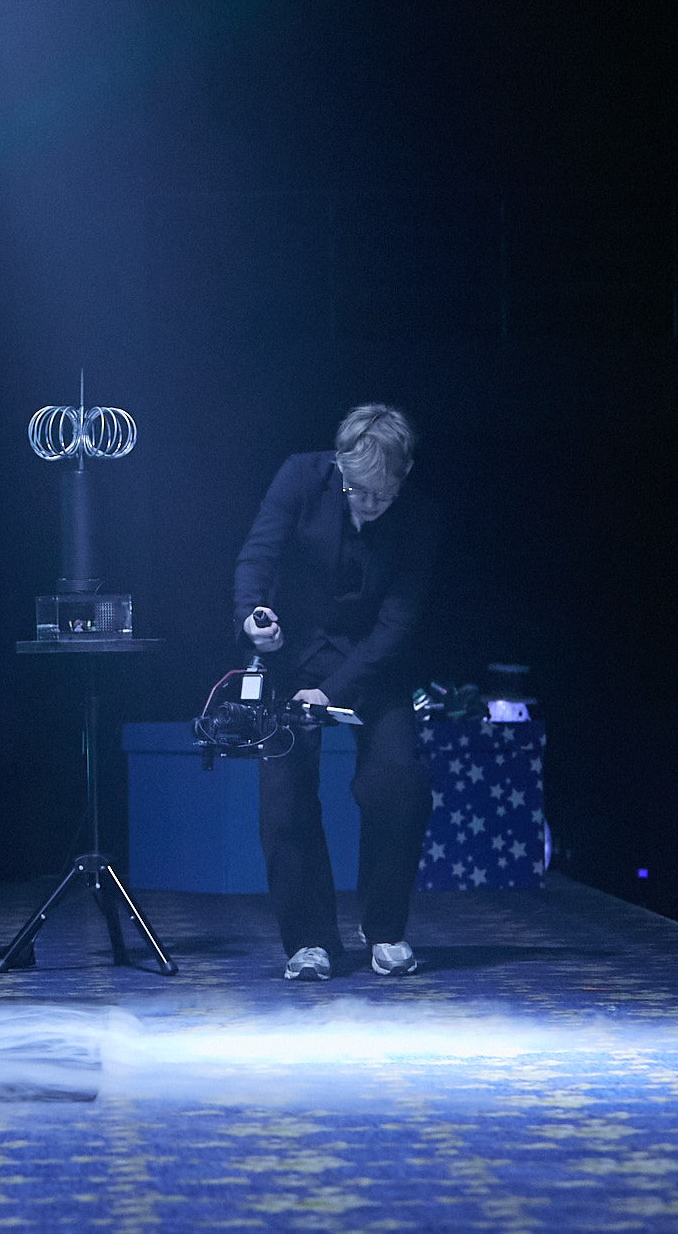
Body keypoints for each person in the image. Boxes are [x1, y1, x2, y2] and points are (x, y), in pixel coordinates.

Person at [233, 404, 439, 982]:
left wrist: (331, 692)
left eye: (381, 494)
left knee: (399, 786)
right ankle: (310, 941)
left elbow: (397, 624)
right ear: (339, 466)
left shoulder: (421, 517)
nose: (367, 504)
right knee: (285, 797)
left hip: (374, 667)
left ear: (404, 474)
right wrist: (251, 617)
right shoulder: (300, 476)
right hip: (294, 659)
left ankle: (385, 929)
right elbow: (257, 556)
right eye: (356, 490)